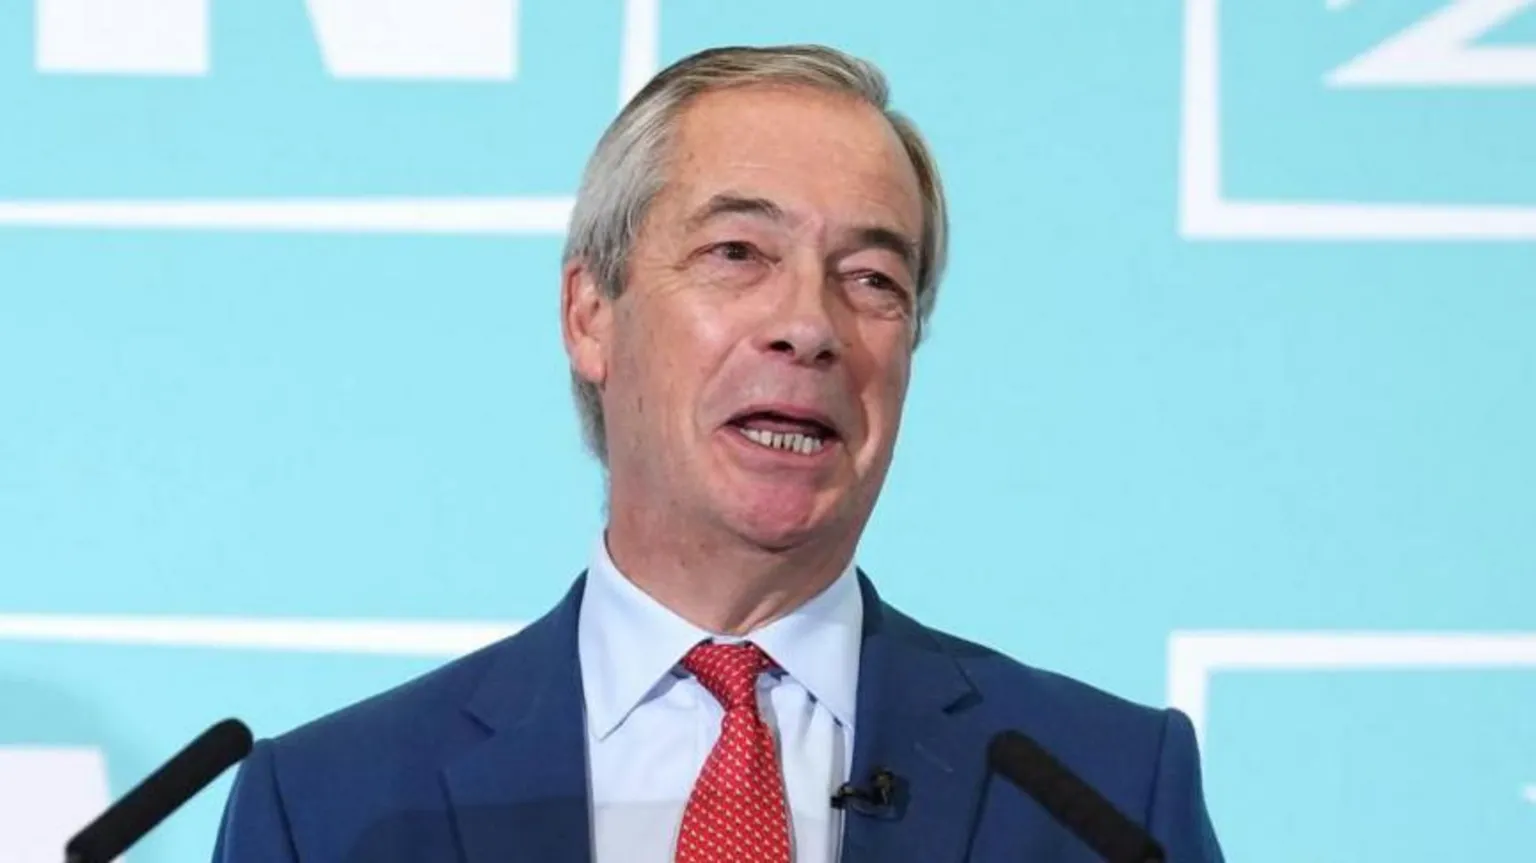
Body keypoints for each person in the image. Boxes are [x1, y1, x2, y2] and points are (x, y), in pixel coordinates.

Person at [211, 44, 1224, 862]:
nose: (809, 326)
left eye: (872, 279)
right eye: (738, 253)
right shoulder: (331, 809)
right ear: (590, 314)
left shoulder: (1106, 792)